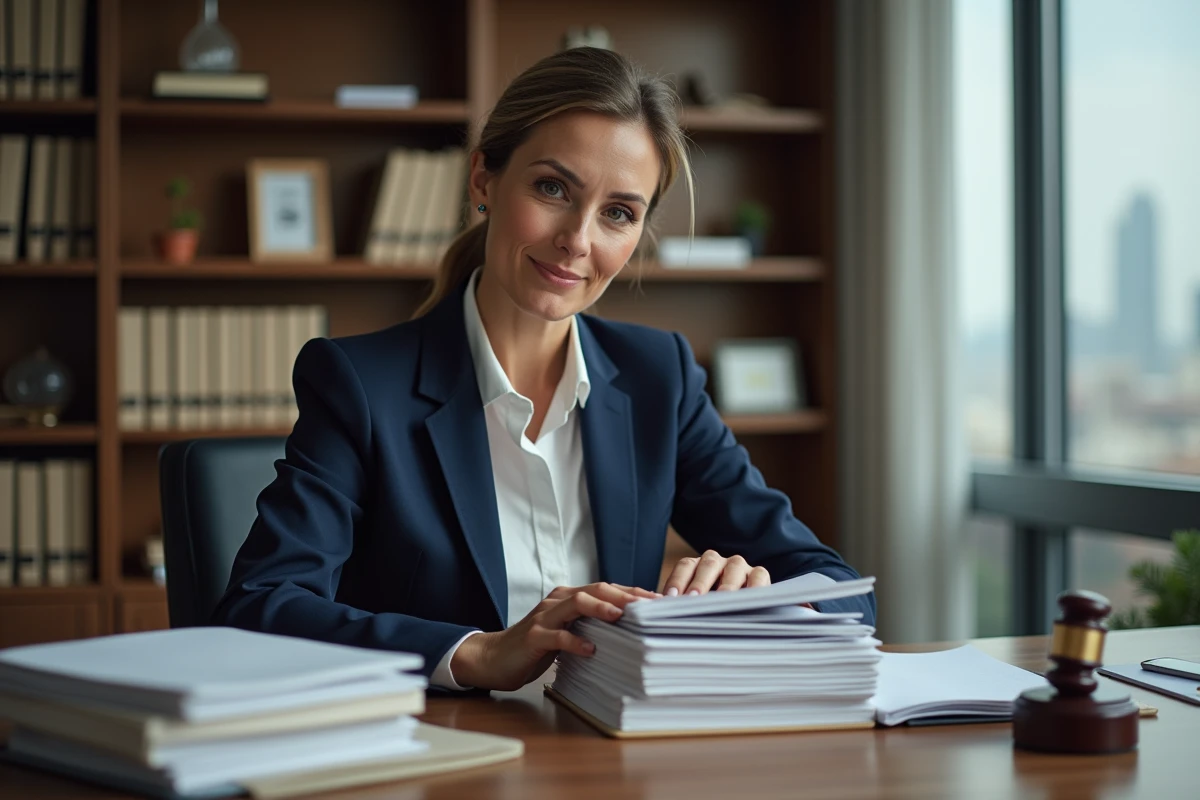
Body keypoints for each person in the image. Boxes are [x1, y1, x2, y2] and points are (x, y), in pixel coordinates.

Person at [214, 46, 874, 693]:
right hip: (443, 755)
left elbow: (840, 590)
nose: (578, 240)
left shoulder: (658, 378)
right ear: (484, 182)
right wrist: (476, 654)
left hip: (608, 751)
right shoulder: (361, 384)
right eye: (552, 188)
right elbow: (261, 606)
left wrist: (760, 602)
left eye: (619, 212)